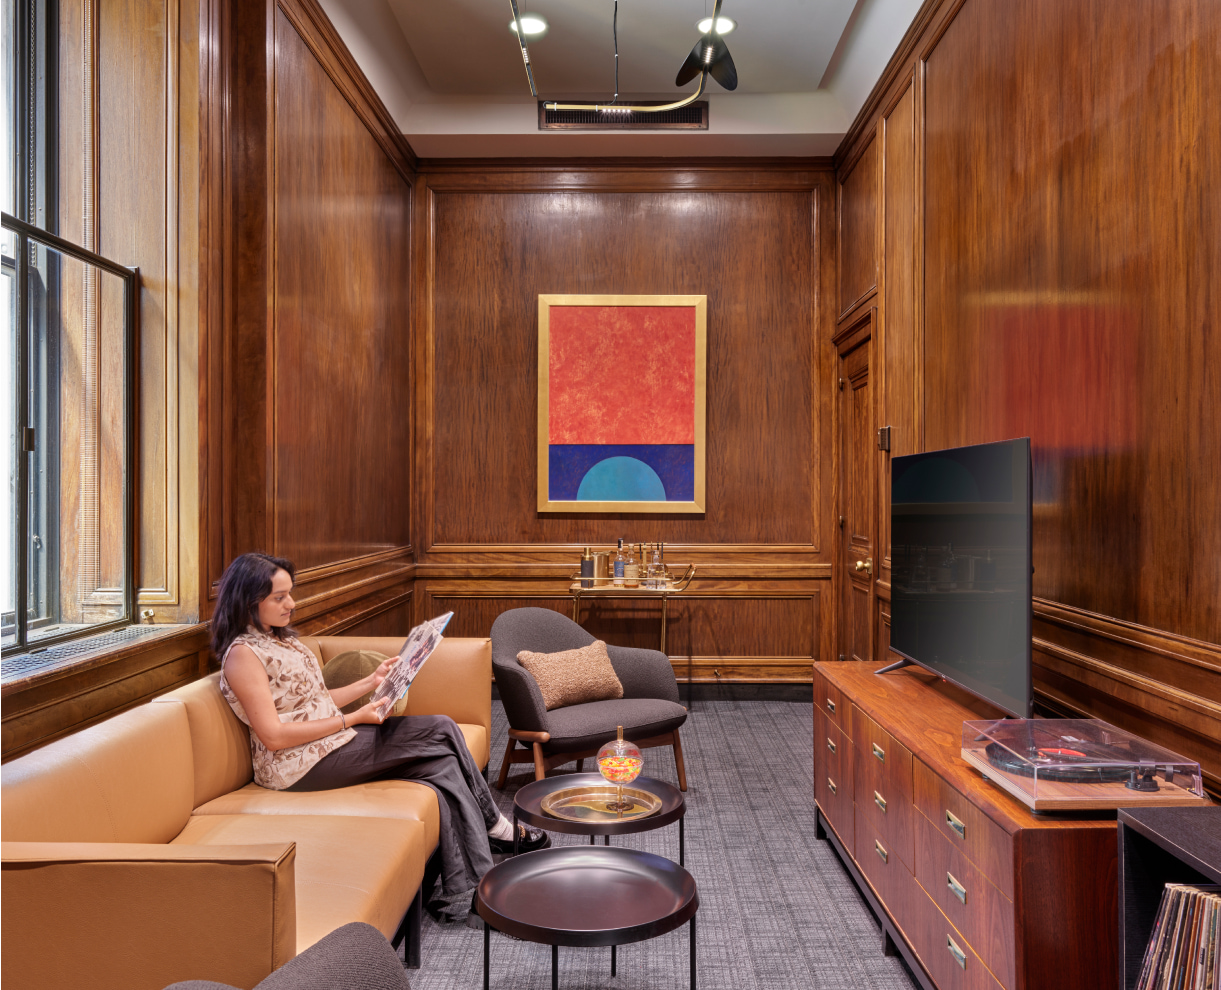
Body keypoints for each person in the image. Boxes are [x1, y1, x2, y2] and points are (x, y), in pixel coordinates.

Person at [212, 551, 548, 922]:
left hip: (326, 744)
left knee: (442, 765)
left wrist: (372, 683)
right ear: (248, 601)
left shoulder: (281, 640)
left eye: (290, 593)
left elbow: (317, 701)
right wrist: (354, 718)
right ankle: (495, 827)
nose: (291, 604)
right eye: (279, 597)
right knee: (441, 729)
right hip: (295, 765)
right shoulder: (243, 656)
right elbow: (274, 736)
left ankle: (476, 890)